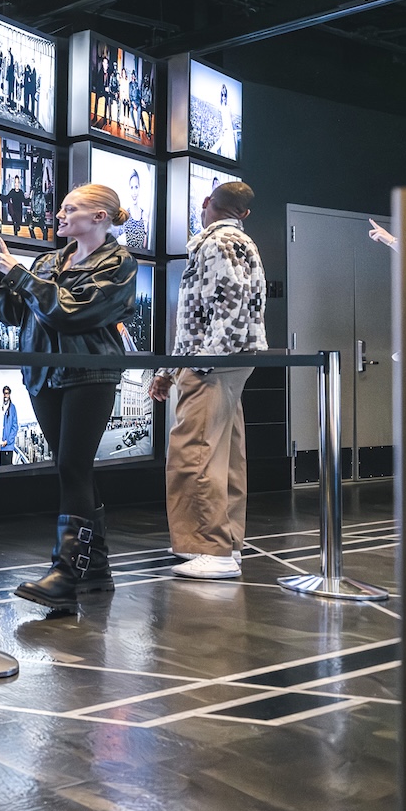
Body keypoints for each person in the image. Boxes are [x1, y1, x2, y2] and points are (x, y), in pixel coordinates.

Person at [0, 183, 138, 613]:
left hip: (90, 373)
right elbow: (14, 312)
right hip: (43, 374)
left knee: (71, 465)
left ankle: (65, 574)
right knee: (75, 467)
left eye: (70, 210)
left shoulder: (119, 263)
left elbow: (72, 311)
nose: (59, 216)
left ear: (100, 217)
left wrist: (17, 274)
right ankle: (96, 567)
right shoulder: (49, 260)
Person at [150, 179, 266, 578]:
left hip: (214, 362)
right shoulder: (242, 243)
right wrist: (170, 369)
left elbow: (226, 302)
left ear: (205, 203)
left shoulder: (215, 243)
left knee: (194, 451)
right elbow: (208, 314)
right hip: (232, 359)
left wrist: (202, 363)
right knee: (225, 454)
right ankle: (227, 543)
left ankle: (209, 548)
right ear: (244, 213)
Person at [0, 384, 20, 464]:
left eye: (7, 393)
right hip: (0, 446)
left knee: (7, 469)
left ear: (9, 394)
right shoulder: (1, 407)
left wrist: (7, 441)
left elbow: (15, 426)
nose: (5, 395)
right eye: (4, 393)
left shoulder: (12, 408)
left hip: (8, 446)